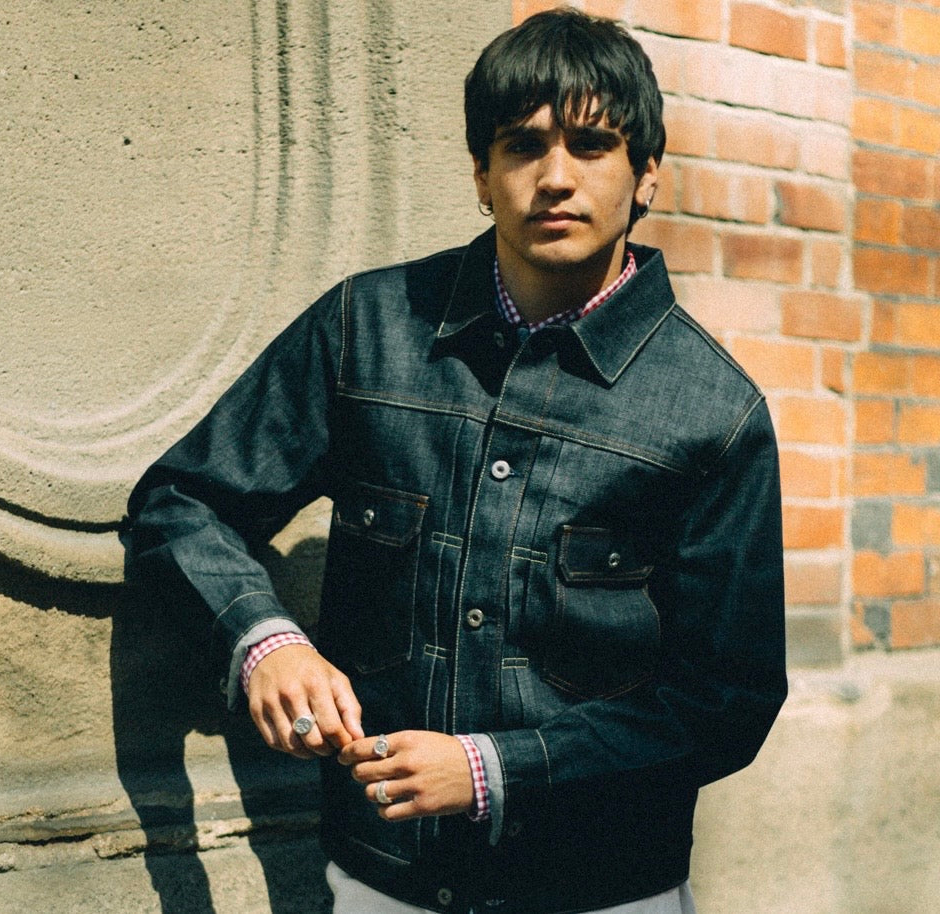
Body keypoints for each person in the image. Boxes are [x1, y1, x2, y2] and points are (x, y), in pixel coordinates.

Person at [123, 9, 786, 913]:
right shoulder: (366, 329)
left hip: (602, 888)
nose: (555, 177)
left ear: (647, 176)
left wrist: (491, 770)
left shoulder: (715, 412)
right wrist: (263, 640)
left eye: (593, 146)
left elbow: (728, 701)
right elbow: (181, 498)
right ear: (482, 174)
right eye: (523, 146)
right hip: (382, 879)